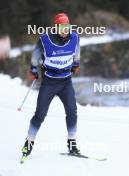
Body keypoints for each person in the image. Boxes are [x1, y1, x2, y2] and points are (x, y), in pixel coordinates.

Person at [21, 13, 81, 157]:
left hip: (66, 82)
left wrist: (76, 64)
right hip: (49, 82)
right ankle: (28, 144)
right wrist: (34, 70)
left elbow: (77, 54)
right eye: (61, 27)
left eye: (67, 26)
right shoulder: (44, 40)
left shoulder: (75, 38)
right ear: (56, 27)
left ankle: (72, 145)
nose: (65, 30)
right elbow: (35, 58)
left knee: (72, 112)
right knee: (40, 114)